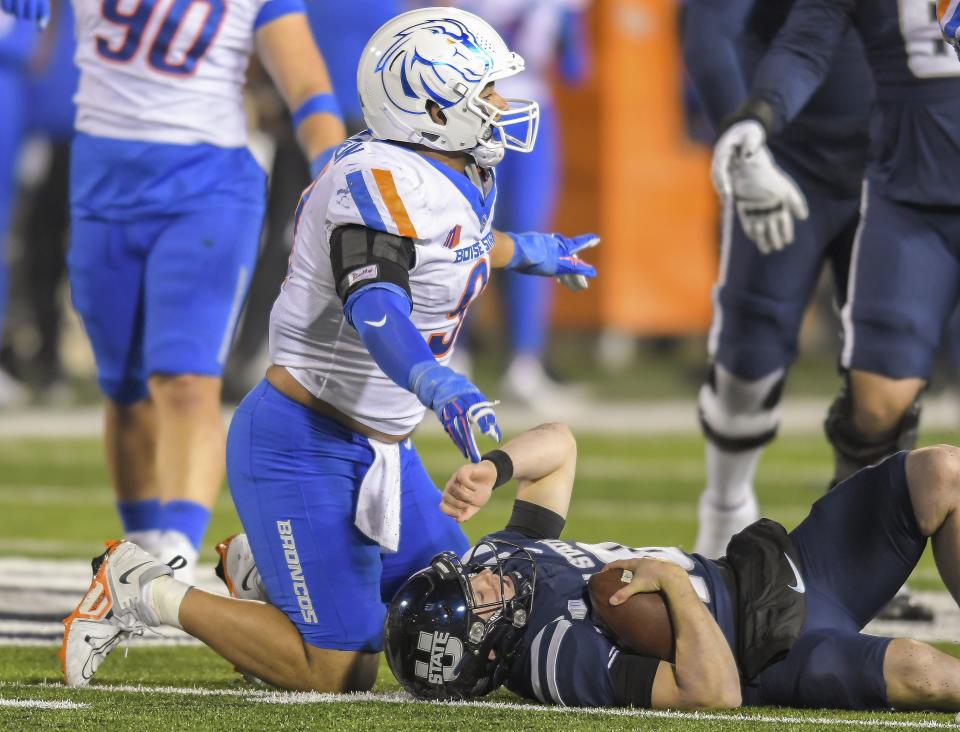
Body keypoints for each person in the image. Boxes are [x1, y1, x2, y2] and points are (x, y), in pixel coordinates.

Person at [59, 6, 598, 692]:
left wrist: (530, 252)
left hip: (384, 453)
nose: (500, 106)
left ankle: (264, 570)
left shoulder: (447, 168)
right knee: (340, 670)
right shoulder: (376, 180)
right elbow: (376, 304)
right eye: (484, 91)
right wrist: (434, 380)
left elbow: (452, 243)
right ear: (429, 103)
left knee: (454, 615)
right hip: (303, 442)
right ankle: (141, 589)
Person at [2, 0, 346, 578]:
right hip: (102, 189)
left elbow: (307, 84)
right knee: (127, 390)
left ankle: (176, 558)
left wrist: (335, 167)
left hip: (207, 190)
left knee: (186, 378)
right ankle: (138, 562)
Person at [384, 423, 960, 711]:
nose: (481, 576)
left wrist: (496, 466)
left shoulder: (501, 558)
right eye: (477, 598)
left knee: (941, 473)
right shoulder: (555, 657)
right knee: (927, 674)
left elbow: (560, 446)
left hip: (777, 566)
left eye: (468, 577)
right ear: (487, 648)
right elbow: (715, 692)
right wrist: (675, 586)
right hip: (771, 649)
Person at [709, 0, 958, 620]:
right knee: (876, 404)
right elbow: (805, 45)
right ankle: (846, 577)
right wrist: (757, 117)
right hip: (910, 201)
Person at [682, 0, 872, 561]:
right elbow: (709, 32)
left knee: (886, 361)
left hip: (896, 162)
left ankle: (867, 543)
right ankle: (724, 504)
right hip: (784, 156)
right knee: (751, 350)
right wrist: (742, 142)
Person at [448, 0, 591, 408]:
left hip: (528, 111)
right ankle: (455, 354)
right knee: (462, 232)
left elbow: (575, 67)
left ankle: (522, 363)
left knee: (526, 234)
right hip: (475, 115)